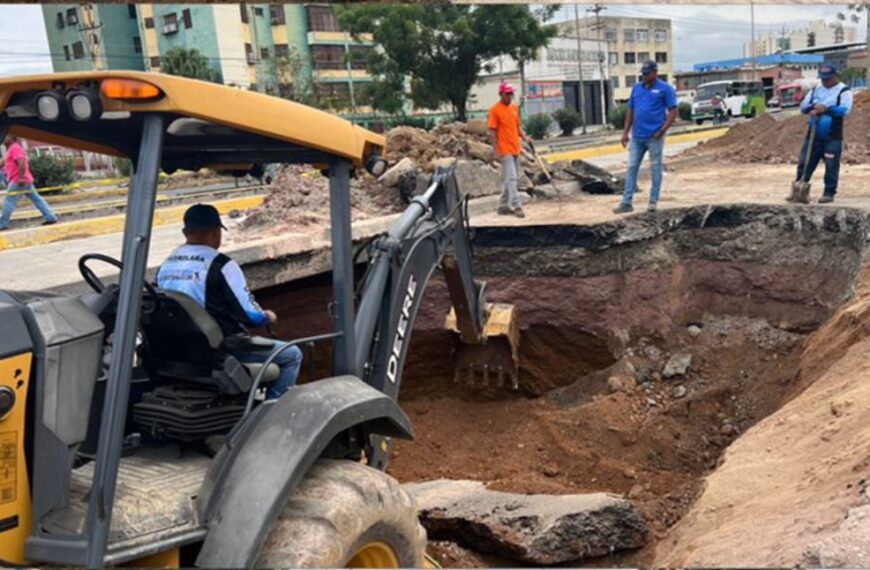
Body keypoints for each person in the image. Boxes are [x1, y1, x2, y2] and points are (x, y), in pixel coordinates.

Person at [156, 204, 302, 400]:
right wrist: (268, 316)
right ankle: (272, 413)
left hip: (180, 352)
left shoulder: (165, 265)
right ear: (216, 233)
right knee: (292, 354)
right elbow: (251, 316)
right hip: (220, 351)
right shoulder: (222, 265)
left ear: (185, 232)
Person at [614, 61, 678, 214]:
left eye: (647, 74)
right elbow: (630, 110)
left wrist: (662, 131)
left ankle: (653, 202)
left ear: (655, 73)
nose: (645, 77)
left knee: (655, 168)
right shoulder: (637, 88)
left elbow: (673, 112)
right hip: (637, 137)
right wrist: (625, 133)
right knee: (631, 167)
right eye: (643, 74)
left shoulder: (665, 89)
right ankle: (626, 202)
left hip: (654, 136)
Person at [789, 64, 853, 204]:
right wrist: (812, 108)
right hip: (813, 134)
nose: (825, 81)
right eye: (823, 78)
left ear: (836, 76)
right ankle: (799, 189)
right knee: (805, 162)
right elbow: (803, 107)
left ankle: (829, 192)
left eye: (828, 79)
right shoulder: (816, 89)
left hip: (832, 136)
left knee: (831, 165)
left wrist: (826, 109)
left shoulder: (843, 91)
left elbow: (844, 110)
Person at [488, 81, 531, 218]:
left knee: (510, 178)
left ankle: (502, 205)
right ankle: (517, 206)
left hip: (515, 148)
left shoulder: (514, 108)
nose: (510, 96)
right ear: (501, 94)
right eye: (507, 93)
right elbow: (492, 132)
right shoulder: (495, 110)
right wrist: (496, 150)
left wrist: (525, 138)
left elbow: (517, 127)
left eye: (511, 93)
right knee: (512, 178)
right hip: (504, 149)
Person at [0, 135, 58, 231]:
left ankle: (2, 224)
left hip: (18, 180)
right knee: (37, 199)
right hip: (25, 180)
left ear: (13, 138)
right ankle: (50, 217)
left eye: (6, 136)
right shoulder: (11, 149)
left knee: (9, 201)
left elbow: (21, 162)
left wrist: (21, 178)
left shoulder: (15, 148)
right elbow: (5, 162)